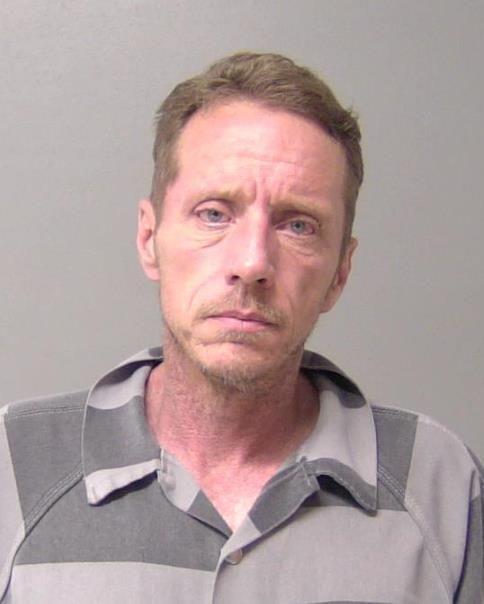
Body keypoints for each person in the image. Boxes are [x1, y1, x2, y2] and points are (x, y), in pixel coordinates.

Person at [1, 52, 482, 603]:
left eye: (298, 225)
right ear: (149, 239)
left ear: (340, 273)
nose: (252, 262)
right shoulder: (12, 469)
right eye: (214, 213)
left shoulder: (440, 487)